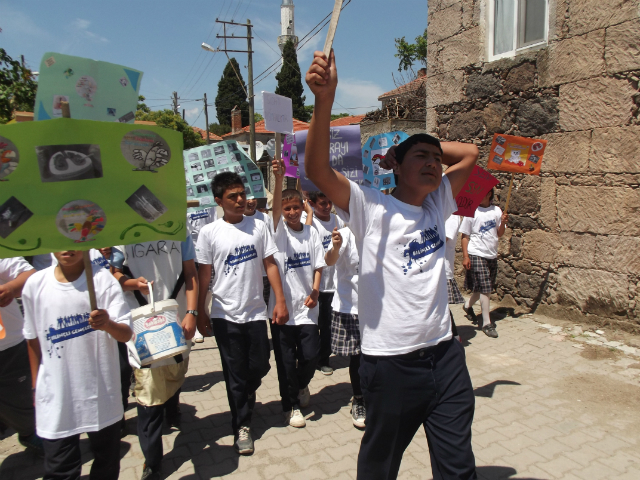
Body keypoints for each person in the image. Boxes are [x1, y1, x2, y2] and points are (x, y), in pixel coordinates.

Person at [304, 50, 479, 479]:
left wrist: (412, 139)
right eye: (419, 157)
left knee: (458, 467)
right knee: (380, 466)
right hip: (391, 365)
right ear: (395, 167)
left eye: (435, 159)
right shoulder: (371, 205)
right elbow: (317, 170)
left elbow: (471, 153)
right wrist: (324, 101)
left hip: (446, 356)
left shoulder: (438, 203)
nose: (433, 162)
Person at [195, 172, 289, 456]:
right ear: (218, 201)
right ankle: (242, 425)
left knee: (260, 365)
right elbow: (204, 274)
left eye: (241, 194)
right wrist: (200, 311)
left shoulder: (258, 226)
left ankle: (246, 395)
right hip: (224, 313)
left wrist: (280, 300)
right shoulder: (209, 233)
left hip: (255, 312)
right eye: (232, 197)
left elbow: (270, 263)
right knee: (234, 373)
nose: (240, 200)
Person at [22, 250, 132, 480]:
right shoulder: (35, 285)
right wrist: (35, 386)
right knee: (60, 469)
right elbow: (32, 339)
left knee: (107, 464)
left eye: (74, 240)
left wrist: (108, 324)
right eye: (60, 240)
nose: (66, 248)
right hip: (57, 397)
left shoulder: (103, 282)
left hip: (102, 394)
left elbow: (125, 334)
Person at [118, 236, 198, 480]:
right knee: (149, 395)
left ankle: (172, 409)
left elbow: (190, 272)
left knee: (175, 370)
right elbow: (113, 274)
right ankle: (152, 462)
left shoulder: (178, 228)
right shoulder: (122, 232)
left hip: (176, 318)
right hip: (141, 324)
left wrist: (192, 312)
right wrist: (133, 284)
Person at [269, 158, 325, 428]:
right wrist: (280, 177)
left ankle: (302, 385)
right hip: (283, 309)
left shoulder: (311, 233)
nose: (291, 212)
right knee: (285, 362)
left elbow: (319, 265)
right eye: (286, 208)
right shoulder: (278, 232)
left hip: (307, 308)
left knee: (311, 355)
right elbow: (275, 213)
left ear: (303, 209)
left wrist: (315, 291)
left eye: (295, 207)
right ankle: (289, 406)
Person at [324, 225, 365, 429]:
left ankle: (378, 397)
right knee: (357, 356)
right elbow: (329, 260)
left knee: (380, 356)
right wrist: (336, 248)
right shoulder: (346, 233)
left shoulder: (381, 229)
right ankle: (359, 400)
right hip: (352, 306)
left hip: (379, 306)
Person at [0, 257, 40, 453]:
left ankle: (30, 435)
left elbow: (30, 275)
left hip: (9, 347)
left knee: (24, 407)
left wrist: (10, 288)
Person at [304, 191, 344, 375]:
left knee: (327, 325)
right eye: (322, 203)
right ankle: (306, 358)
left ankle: (324, 359)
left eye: (329, 202)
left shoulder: (338, 220)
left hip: (334, 283)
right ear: (311, 203)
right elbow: (304, 242)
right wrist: (310, 215)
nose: (327, 206)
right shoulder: (311, 222)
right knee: (312, 324)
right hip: (315, 284)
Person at [461, 189, 507, 339]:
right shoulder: (472, 212)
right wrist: (466, 256)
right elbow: (465, 236)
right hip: (476, 253)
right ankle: (487, 323)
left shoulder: (497, 211)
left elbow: (499, 234)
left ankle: (467, 306)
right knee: (486, 287)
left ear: (488, 194)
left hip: (491, 254)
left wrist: (503, 223)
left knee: (482, 287)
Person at [187, 206, 217, 344]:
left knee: (209, 288)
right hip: (189, 249)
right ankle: (196, 321)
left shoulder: (208, 200)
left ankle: (204, 314)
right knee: (193, 286)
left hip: (208, 250)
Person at [244, 196, 273, 306]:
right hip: (247, 273)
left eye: (254, 198)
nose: (251, 202)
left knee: (265, 305)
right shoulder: (236, 219)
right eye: (247, 198)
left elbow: (270, 243)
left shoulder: (264, 218)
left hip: (264, 273)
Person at [445, 214, 464, 342]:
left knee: (442, 307)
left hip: (443, 269)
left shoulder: (452, 216)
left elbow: (444, 238)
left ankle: (455, 337)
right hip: (434, 269)